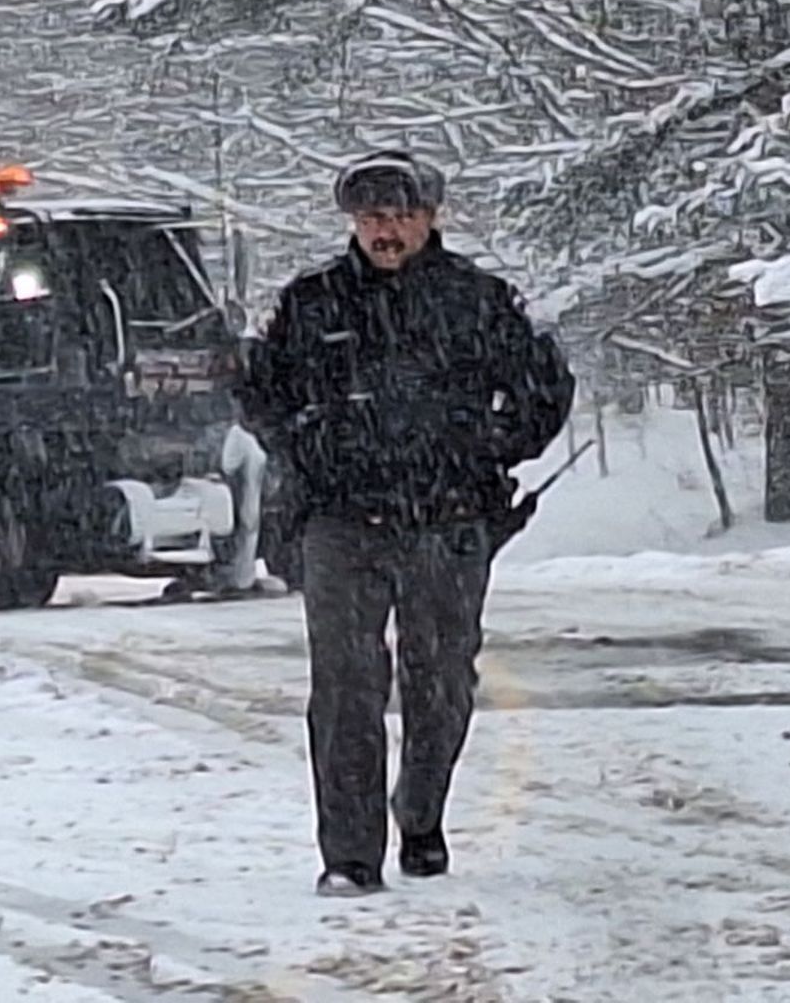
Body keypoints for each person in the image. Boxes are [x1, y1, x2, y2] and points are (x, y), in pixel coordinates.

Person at [236, 149, 575, 897]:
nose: (384, 230)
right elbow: (259, 392)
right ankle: (351, 855)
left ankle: (421, 815)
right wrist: (308, 441)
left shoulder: (479, 301)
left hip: (447, 522)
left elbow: (544, 392)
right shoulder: (311, 303)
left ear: (429, 218)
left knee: (442, 683)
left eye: (399, 215)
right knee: (347, 688)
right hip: (341, 522)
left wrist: (489, 447)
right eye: (370, 217)